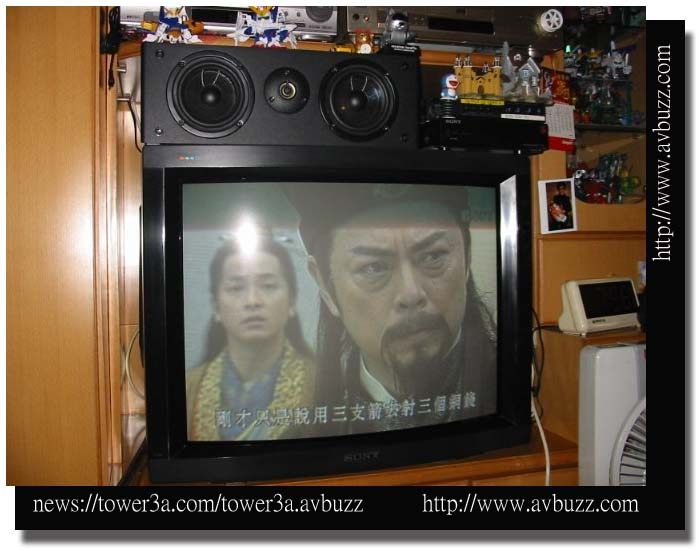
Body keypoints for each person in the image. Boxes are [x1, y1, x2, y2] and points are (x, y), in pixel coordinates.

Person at [286, 183, 497, 435]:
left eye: (433, 256)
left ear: (467, 258)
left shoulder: (518, 395)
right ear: (324, 284)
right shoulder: (303, 437)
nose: (411, 294)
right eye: (373, 268)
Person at [186, 233, 316, 441]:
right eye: (236, 288)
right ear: (216, 306)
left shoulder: (323, 383)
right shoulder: (188, 388)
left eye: (268, 286)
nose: (253, 301)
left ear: (292, 301)